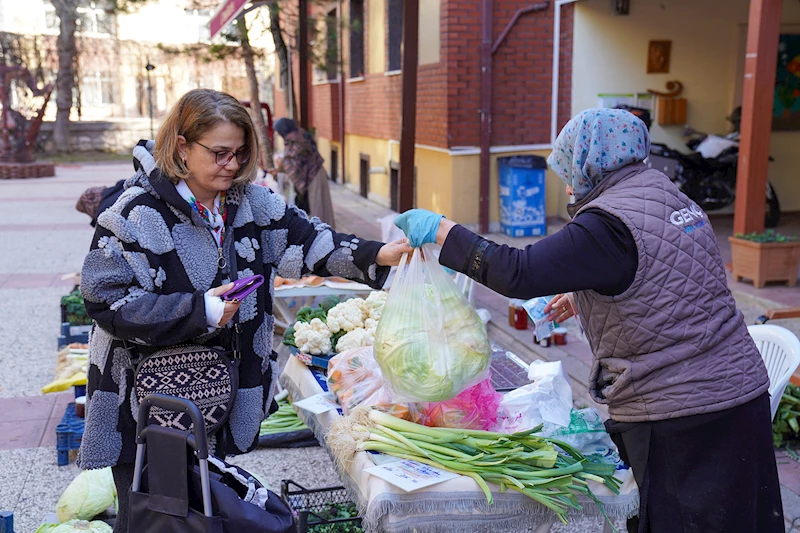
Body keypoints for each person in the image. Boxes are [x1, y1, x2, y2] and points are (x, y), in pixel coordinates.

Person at [393, 108, 783, 533]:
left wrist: (442, 229)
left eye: (568, 169)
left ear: (590, 162)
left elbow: (518, 272)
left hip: (682, 415)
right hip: (739, 397)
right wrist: (591, 296)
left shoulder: (608, 224)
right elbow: (676, 278)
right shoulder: (667, 195)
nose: (567, 184)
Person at [77, 88, 411, 533]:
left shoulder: (248, 202)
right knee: (158, 518)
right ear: (181, 146)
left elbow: (311, 241)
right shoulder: (133, 213)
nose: (231, 165)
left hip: (215, 398)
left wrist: (382, 253)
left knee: (206, 514)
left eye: (239, 153)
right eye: (219, 153)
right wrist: (202, 310)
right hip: (145, 406)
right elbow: (105, 301)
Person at [270, 117, 336, 227]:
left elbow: (293, 163)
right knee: (322, 209)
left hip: (314, 177)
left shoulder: (295, 140)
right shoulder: (300, 135)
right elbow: (294, 161)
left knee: (319, 210)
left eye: (278, 131)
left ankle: (324, 237)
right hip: (316, 173)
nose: (278, 134)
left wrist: (280, 170)